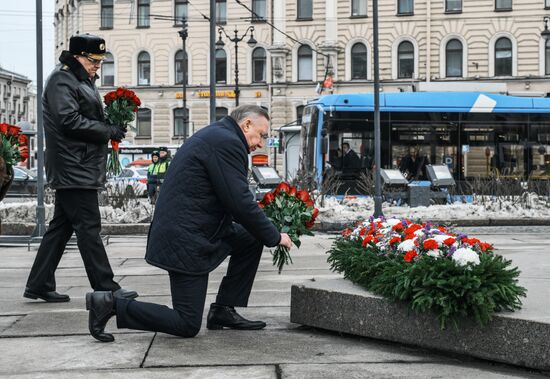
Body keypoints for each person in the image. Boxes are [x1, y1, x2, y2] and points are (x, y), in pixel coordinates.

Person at [85, 105, 293, 342]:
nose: (261, 143)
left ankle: (224, 310)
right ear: (246, 125)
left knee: (250, 237)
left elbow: (230, 197)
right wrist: (275, 236)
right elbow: (239, 201)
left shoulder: (220, 136)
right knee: (186, 323)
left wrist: (263, 228)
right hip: (185, 239)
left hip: (196, 230)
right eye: (262, 135)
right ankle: (110, 305)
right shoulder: (227, 142)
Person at [23, 34, 138, 303]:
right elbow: (68, 120)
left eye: (99, 60)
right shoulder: (62, 79)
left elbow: (80, 116)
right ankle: (106, 286)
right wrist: (107, 130)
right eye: (92, 60)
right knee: (88, 227)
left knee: (61, 228)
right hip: (73, 166)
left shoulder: (79, 79)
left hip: (77, 164)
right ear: (77, 57)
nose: (97, 65)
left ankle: (38, 283)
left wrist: (111, 121)